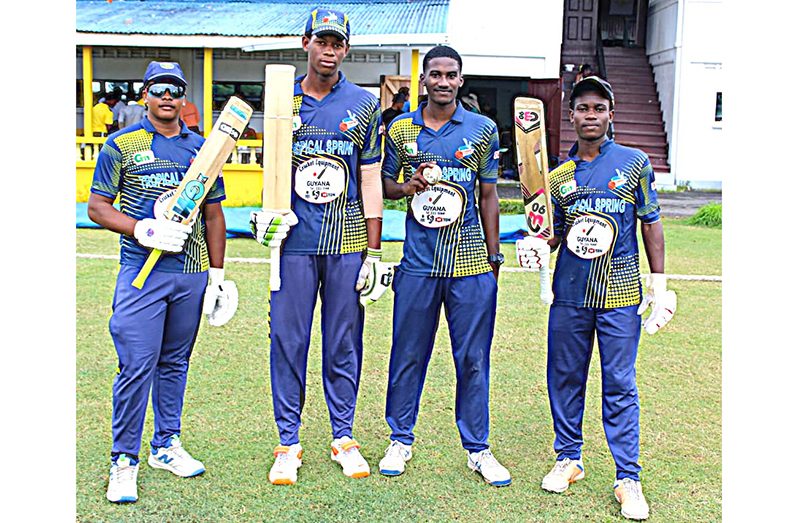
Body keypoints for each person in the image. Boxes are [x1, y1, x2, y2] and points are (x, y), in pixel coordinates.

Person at [516, 76, 677, 520]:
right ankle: (569, 459)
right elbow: (552, 232)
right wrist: (535, 243)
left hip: (619, 293)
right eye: (582, 108)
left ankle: (628, 478)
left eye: (598, 107)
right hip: (569, 295)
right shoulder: (558, 176)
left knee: (620, 383)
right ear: (571, 116)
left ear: (611, 114)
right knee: (564, 378)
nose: (590, 115)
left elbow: (651, 222)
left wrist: (658, 283)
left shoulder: (634, 162)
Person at [249, 8, 390, 486]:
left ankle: (343, 436)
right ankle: (288, 442)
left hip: (347, 239)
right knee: (289, 340)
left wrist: (373, 250)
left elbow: (370, 178)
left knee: (343, 340)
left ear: (346, 49)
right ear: (306, 42)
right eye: (322, 41)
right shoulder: (280, 99)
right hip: (292, 243)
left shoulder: (364, 104)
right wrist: (265, 218)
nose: (329, 50)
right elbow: (271, 175)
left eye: (338, 43)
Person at [88, 61, 238, 504]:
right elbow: (97, 207)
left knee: (175, 362)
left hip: (189, 274)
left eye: (175, 89)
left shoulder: (203, 148)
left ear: (183, 96)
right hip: (143, 271)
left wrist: (216, 274)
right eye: (158, 89)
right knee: (137, 363)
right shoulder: (122, 144)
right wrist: (140, 229)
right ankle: (124, 460)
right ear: (145, 96)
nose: (167, 96)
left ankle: (165, 445)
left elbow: (213, 213)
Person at [377, 45, 511, 487]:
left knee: (472, 358)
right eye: (435, 74)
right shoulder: (400, 128)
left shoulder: (482, 129)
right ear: (424, 80)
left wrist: (494, 256)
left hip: (470, 263)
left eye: (451, 75)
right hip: (417, 263)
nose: (443, 82)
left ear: (460, 80)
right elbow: (385, 187)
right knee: (408, 352)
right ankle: (400, 438)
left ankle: (478, 448)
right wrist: (406, 185)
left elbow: (488, 194)